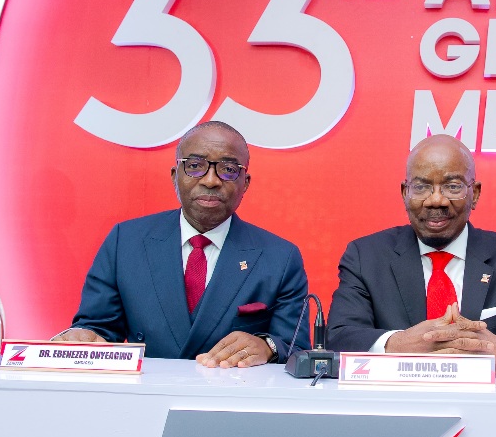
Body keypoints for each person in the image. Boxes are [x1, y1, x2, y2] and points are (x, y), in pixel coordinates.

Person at [53, 121, 309, 367]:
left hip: (231, 399)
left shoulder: (280, 258)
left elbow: (294, 346)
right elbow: (99, 328)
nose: (210, 180)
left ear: (246, 183)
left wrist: (266, 346)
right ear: (175, 176)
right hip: (145, 397)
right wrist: (84, 337)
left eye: (228, 170)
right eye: (195, 166)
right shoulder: (126, 242)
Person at [327, 134, 496, 376]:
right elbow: (338, 338)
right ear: (405, 194)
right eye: (421, 187)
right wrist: (397, 346)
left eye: (452, 186)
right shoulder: (365, 257)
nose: (436, 200)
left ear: (476, 194)